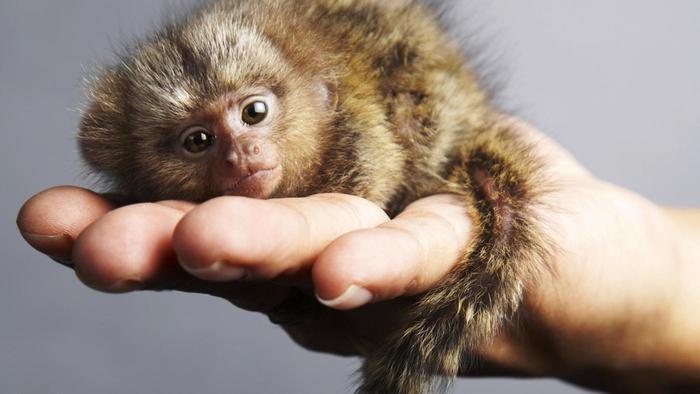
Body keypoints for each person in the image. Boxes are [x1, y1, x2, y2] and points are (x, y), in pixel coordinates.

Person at [16, 119, 700, 393]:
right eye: (199, 142)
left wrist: (661, 280)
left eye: (254, 115)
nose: (241, 151)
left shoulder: (343, 113)